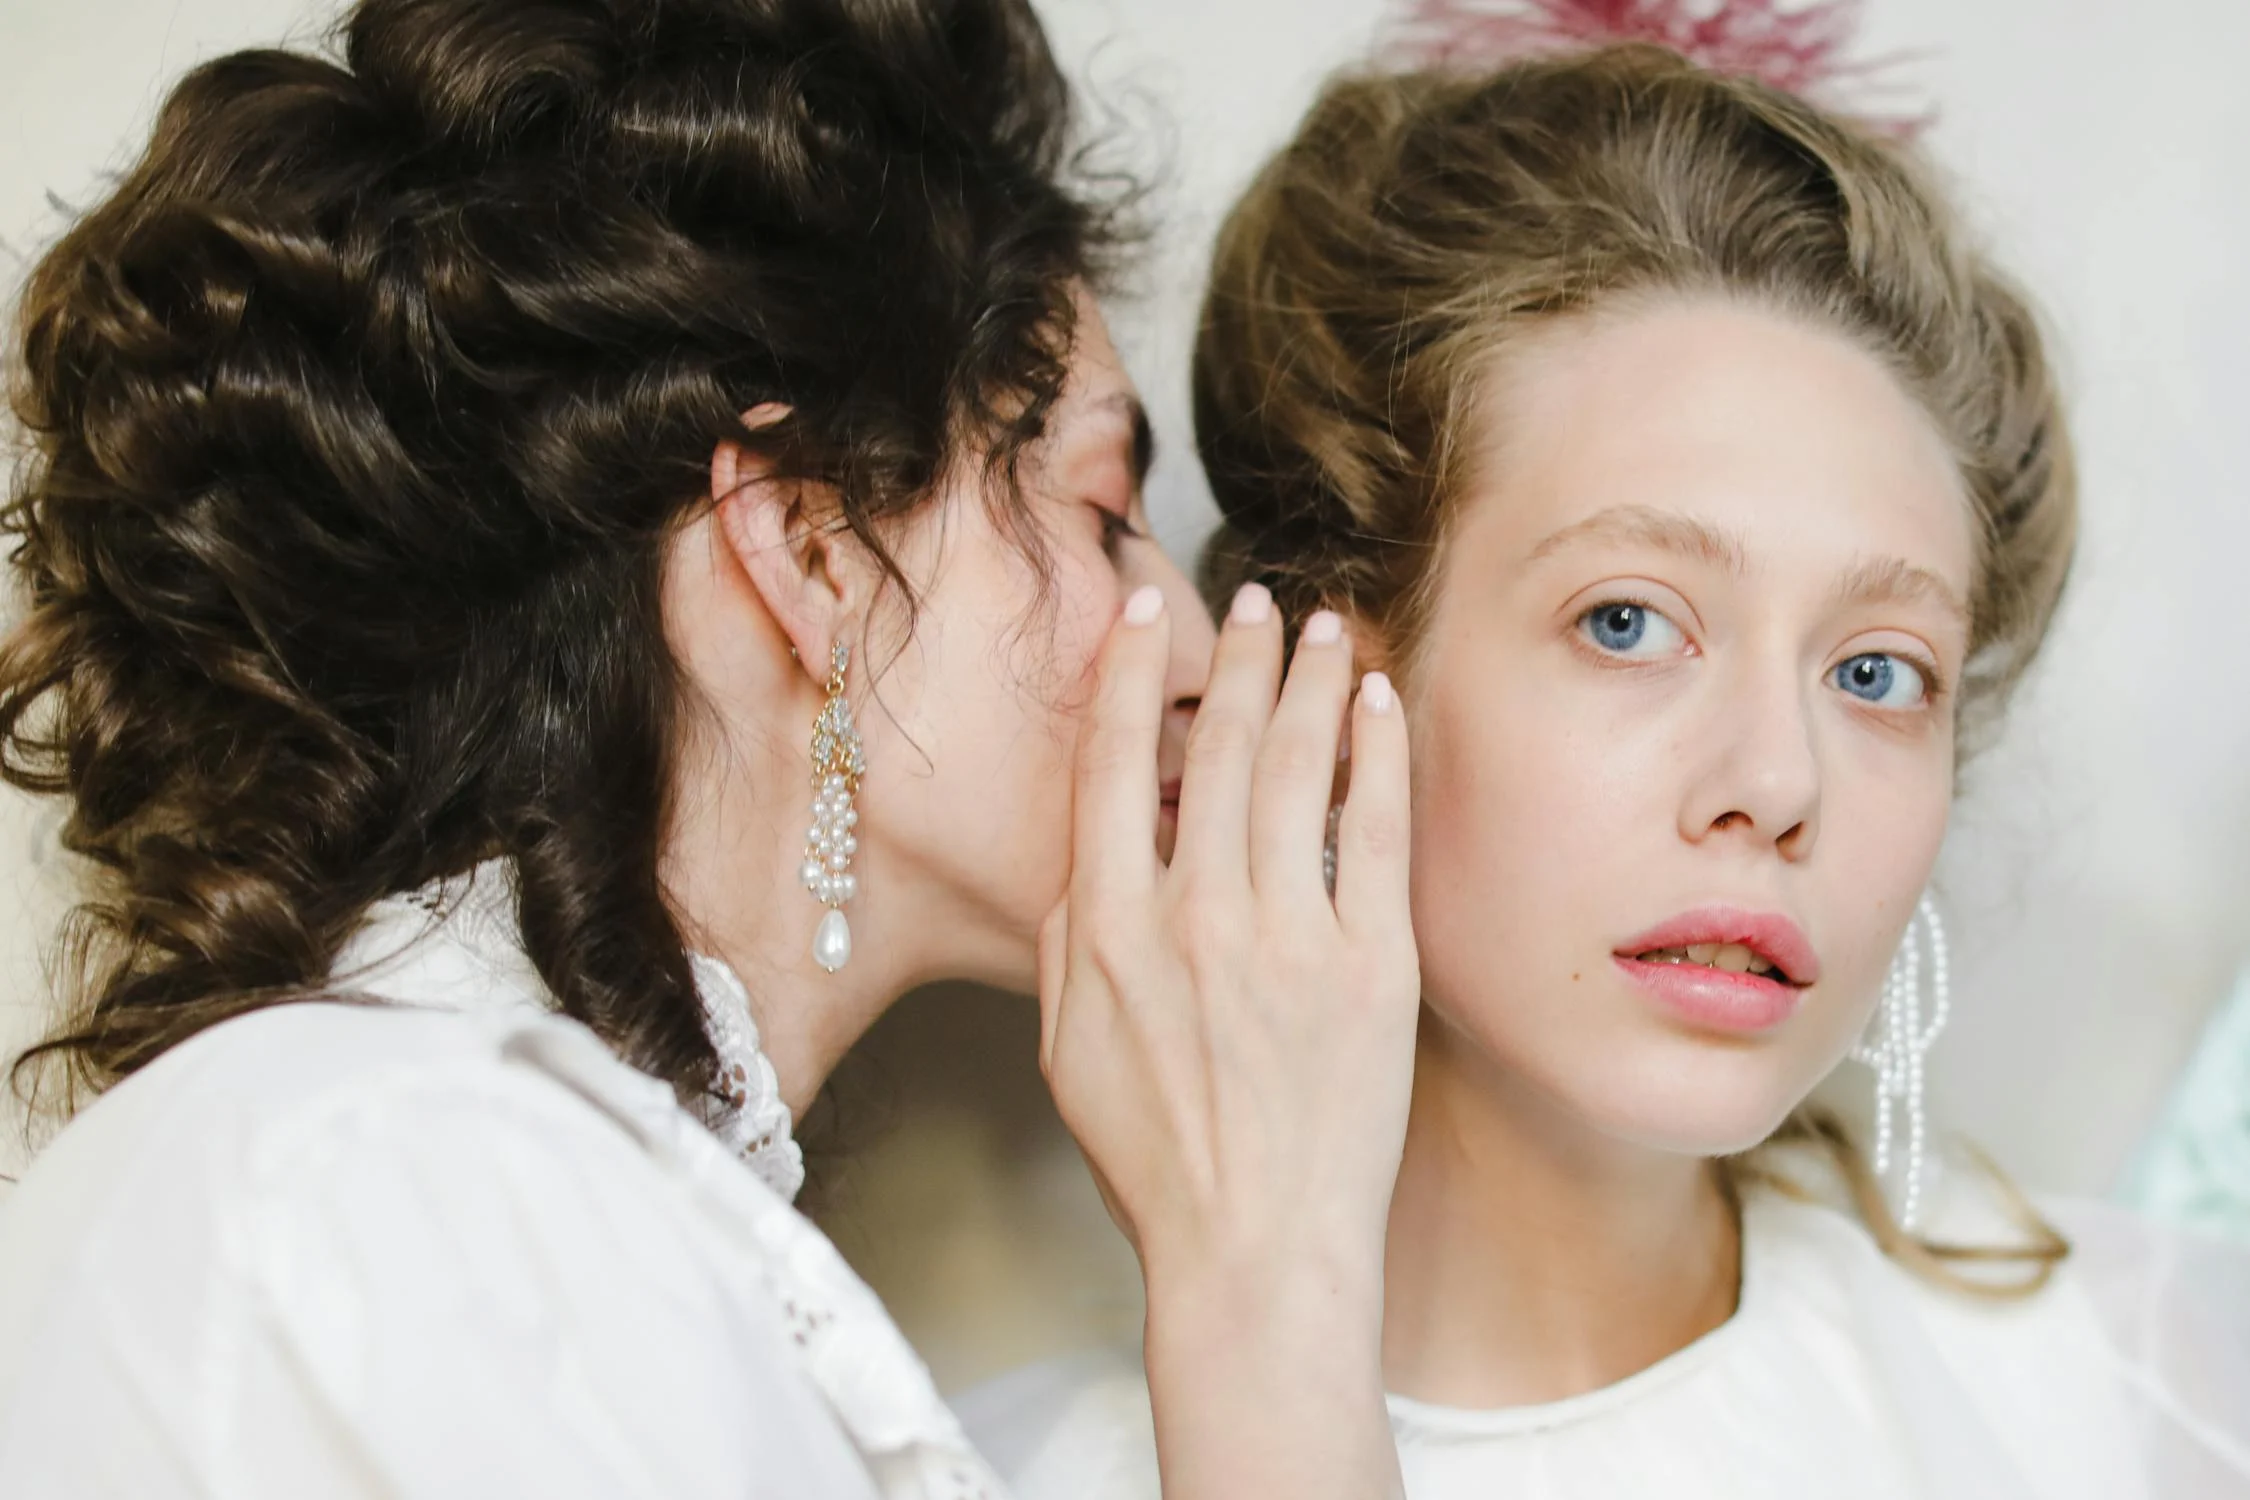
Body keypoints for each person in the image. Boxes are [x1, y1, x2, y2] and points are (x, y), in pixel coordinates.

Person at [0, 2, 1424, 1496]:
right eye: (1101, 515)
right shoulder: (407, 1185)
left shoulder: (500, 1197)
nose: (1197, 652)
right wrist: (1267, 1273)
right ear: (811, 553)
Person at [963, 42, 2250, 1500]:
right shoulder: (973, 1470)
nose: (1776, 781)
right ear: (1334, 673)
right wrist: (1258, 1344)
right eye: (1628, 622)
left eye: (1874, 672)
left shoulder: (2146, 1401)